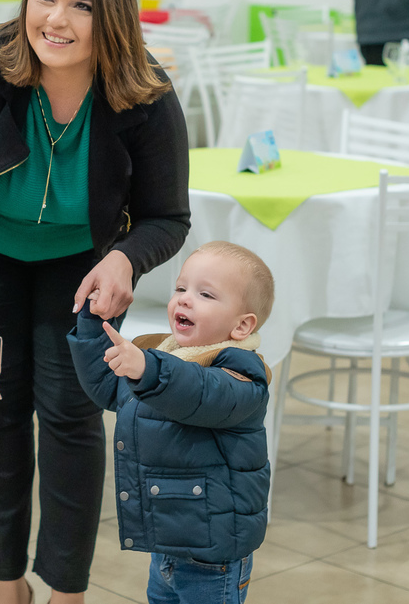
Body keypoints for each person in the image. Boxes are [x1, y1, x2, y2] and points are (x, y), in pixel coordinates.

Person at [0, 0, 191, 604]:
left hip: (83, 268)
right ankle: (6, 583)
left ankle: (67, 589)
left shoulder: (144, 92)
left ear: (114, 16)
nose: (54, 19)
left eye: (81, 5)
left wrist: (127, 257)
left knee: (71, 418)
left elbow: (168, 216)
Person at [67, 241, 273, 604]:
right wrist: (93, 322)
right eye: (180, 288)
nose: (184, 299)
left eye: (205, 294)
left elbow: (199, 392)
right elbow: (106, 386)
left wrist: (147, 369)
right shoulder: (162, 355)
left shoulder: (242, 375)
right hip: (168, 541)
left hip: (214, 556)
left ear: (241, 325)